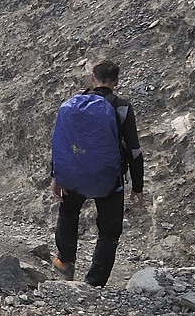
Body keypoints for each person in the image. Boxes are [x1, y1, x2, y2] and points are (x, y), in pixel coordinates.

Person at [50, 59, 145, 286]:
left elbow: (61, 143)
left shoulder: (73, 105)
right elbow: (133, 150)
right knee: (109, 231)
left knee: (68, 212)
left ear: (93, 78)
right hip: (108, 177)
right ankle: (95, 281)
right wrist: (138, 187)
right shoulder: (121, 107)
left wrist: (57, 176)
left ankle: (65, 263)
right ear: (116, 81)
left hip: (73, 174)